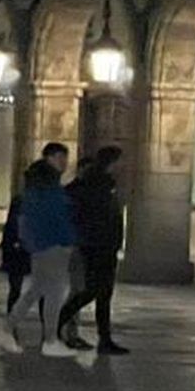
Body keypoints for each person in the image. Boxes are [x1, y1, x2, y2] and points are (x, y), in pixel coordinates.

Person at [0, 144, 90, 362]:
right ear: (49, 158)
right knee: (54, 293)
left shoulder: (35, 187)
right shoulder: (48, 189)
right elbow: (57, 218)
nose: (64, 162)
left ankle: (7, 330)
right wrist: (69, 241)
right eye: (60, 157)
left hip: (42, 246)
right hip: (53, 246)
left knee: (37, 290)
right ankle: (50, 340)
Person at [60, 145, 128, 355]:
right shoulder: (95, 185)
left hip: (104, 245)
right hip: (97, 246)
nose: (123, 166)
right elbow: (92, 216)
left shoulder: (106, 184)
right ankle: (57, 323)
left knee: (103, 294)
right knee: (93, 291)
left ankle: (105, 339)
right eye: (120, 161)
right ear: (111, 162)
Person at [0, 190, 30, 314]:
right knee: (16, 287)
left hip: (20, 256)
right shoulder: (16, 221)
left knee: (16, 287)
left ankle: (12, 311)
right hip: (18, 256)